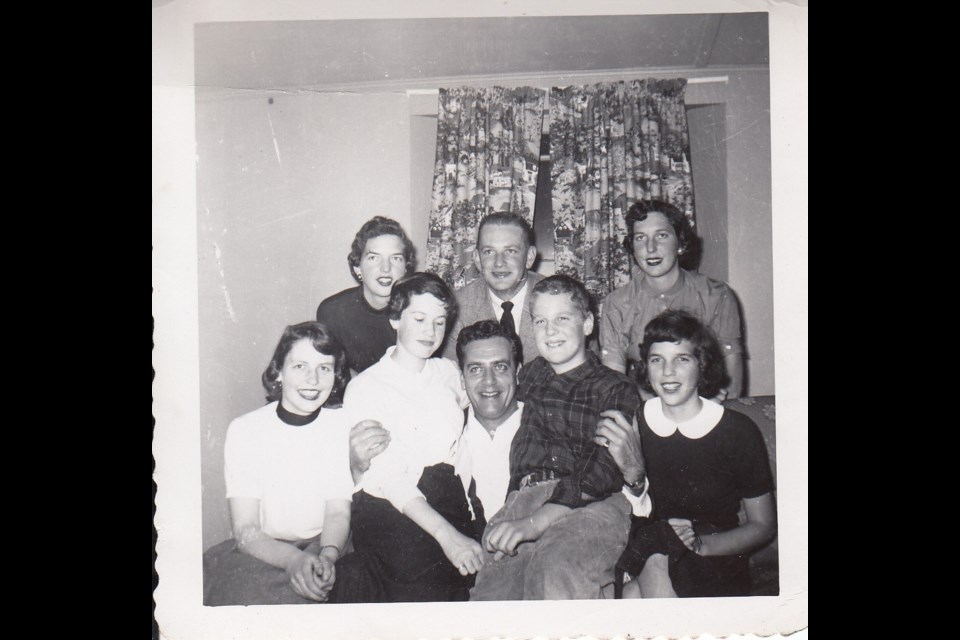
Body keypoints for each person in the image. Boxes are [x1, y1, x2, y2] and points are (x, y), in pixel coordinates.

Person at [469, 274, 643, 600]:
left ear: (588, 323)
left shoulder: (614, 387)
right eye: (540, 321)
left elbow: (602, 468)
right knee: (494, 588)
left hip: (591, 503)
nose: (550, 331)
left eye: (562, 319)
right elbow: (485, 396)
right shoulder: (532, 374)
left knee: (555, 568)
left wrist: (535, 523)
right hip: (525, 498)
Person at [329, 272, 486, 603]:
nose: (430, 332)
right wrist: (448, 536)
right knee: (423, 587)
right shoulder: (367, 387)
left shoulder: (448, 374)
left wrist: (469, 520)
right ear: (395, 318)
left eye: (440, 322)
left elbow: (464, 443)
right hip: (390, 509)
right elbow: (387, 478)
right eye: (419, 318)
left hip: (448, 502)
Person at [610, 309, 776, 598]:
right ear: (645, 368)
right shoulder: (638, 421)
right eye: (656, 360)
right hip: (652, 544)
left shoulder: (736, 431)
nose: (668, 372)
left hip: (717, 551)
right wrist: (634, 480)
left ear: (701, 364)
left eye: (682, 359)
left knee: (634, 595)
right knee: (656, 545)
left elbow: (763, 525)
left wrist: (702, 543)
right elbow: (631, 504)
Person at [202, 322, 354, 605]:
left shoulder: (340, 425)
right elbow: (246, 530)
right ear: (279, 371)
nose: (313, 379)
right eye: (299, 367)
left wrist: (328, 556)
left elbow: (337, 513)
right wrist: (293, 560)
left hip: (329, 543)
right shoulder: (246, 430)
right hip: (266, 550)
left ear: (336, 375)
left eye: (324, 368)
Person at [599, 200, 744, 399]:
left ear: (680, 243)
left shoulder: (717, 295)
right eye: (641, 238)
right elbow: (614, 383)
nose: (650, 248)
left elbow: (732, 380)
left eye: (662, 235)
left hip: (706, 409)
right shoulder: (616, 303)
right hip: (645, 410)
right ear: (632, 247)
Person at [316, 216, 417, 375]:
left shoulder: (418, 311)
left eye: (396, 258)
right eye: (374, 258)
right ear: (357, 267)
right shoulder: (333, 311)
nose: (385, 268)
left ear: (405, 268)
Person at [442, 212, 543, 365]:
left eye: (510, 251)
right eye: (489, 252)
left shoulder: (559, 299)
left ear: (529, 257)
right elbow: (451, 377)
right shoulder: (458, 307)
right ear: (477, 259)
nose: (499, 262)